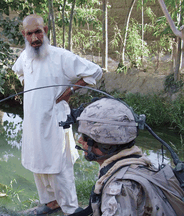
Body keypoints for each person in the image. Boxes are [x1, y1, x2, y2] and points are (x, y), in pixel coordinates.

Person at [12, 14, 103, 215]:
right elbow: (18, 72)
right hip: (33, 122)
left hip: (55, 121)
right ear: (24, 35)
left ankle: (70, 208)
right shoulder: (24, 56)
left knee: (59, 166)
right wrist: (27, 85)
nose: (35, 38)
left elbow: (95, 72)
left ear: (45, 30)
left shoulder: (61, 56)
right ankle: (51, 202)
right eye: (30, 33)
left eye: (38, 31)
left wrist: (68, 92)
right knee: (38, 163)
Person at [76, 97, 184, 216]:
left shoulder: (120, 187)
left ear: (105, 145)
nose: (80, 140)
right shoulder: (140, 164)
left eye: (85, 137)